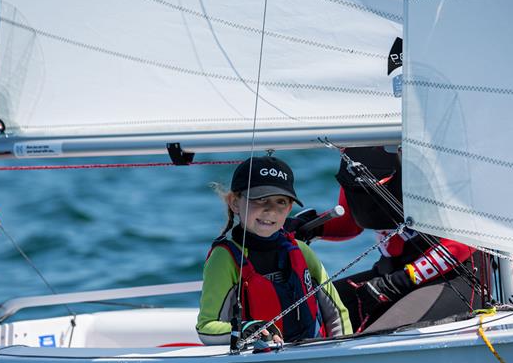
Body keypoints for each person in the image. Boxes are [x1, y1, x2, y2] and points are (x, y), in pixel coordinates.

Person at [287, 146, 484, 333]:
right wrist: (311, 227)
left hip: (449, 280)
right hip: (387, 275)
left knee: (372, 341)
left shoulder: (435, 156)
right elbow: (351, 222)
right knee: (303, 313)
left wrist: (399, 281)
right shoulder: (356, 151)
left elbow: (467, 238)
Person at [196, 156, 353, 346]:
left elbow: (337, 314)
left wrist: (341, 353)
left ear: (290, 208)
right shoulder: (223, 258)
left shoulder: (301, 251)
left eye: (280, 201)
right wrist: (247, 330)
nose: (270, 210)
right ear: (234, 202)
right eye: (260, 199)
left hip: (311, 358)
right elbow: (206, 328)